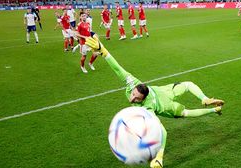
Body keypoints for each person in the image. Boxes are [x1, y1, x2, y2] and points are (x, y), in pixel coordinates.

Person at [85, 37, 225, 168]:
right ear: (134, 88)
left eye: (137, 99)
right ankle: (207, 102)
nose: (132, 99)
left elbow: (162, 131)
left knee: (185, 112)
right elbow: (117, 67)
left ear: (143, 99)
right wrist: (103, 50)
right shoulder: (132, 82)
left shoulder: (148, 108)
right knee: (188, 84)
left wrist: (159, 156)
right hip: (163, 90)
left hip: (165, 105)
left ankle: (210, 105)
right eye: (133, 95)